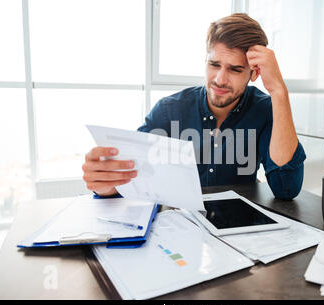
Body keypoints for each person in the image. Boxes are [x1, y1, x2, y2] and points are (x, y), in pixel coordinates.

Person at [82, 13, 306, 200]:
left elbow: (286, 189)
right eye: (214, 64)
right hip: (174, 228)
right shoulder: (169, 111)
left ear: (254, 73)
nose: (219, 79)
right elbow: (130, 178)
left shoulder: (266, 110)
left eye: (235, 70)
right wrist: (104, 185)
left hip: (236, 231)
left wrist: (279, 91)